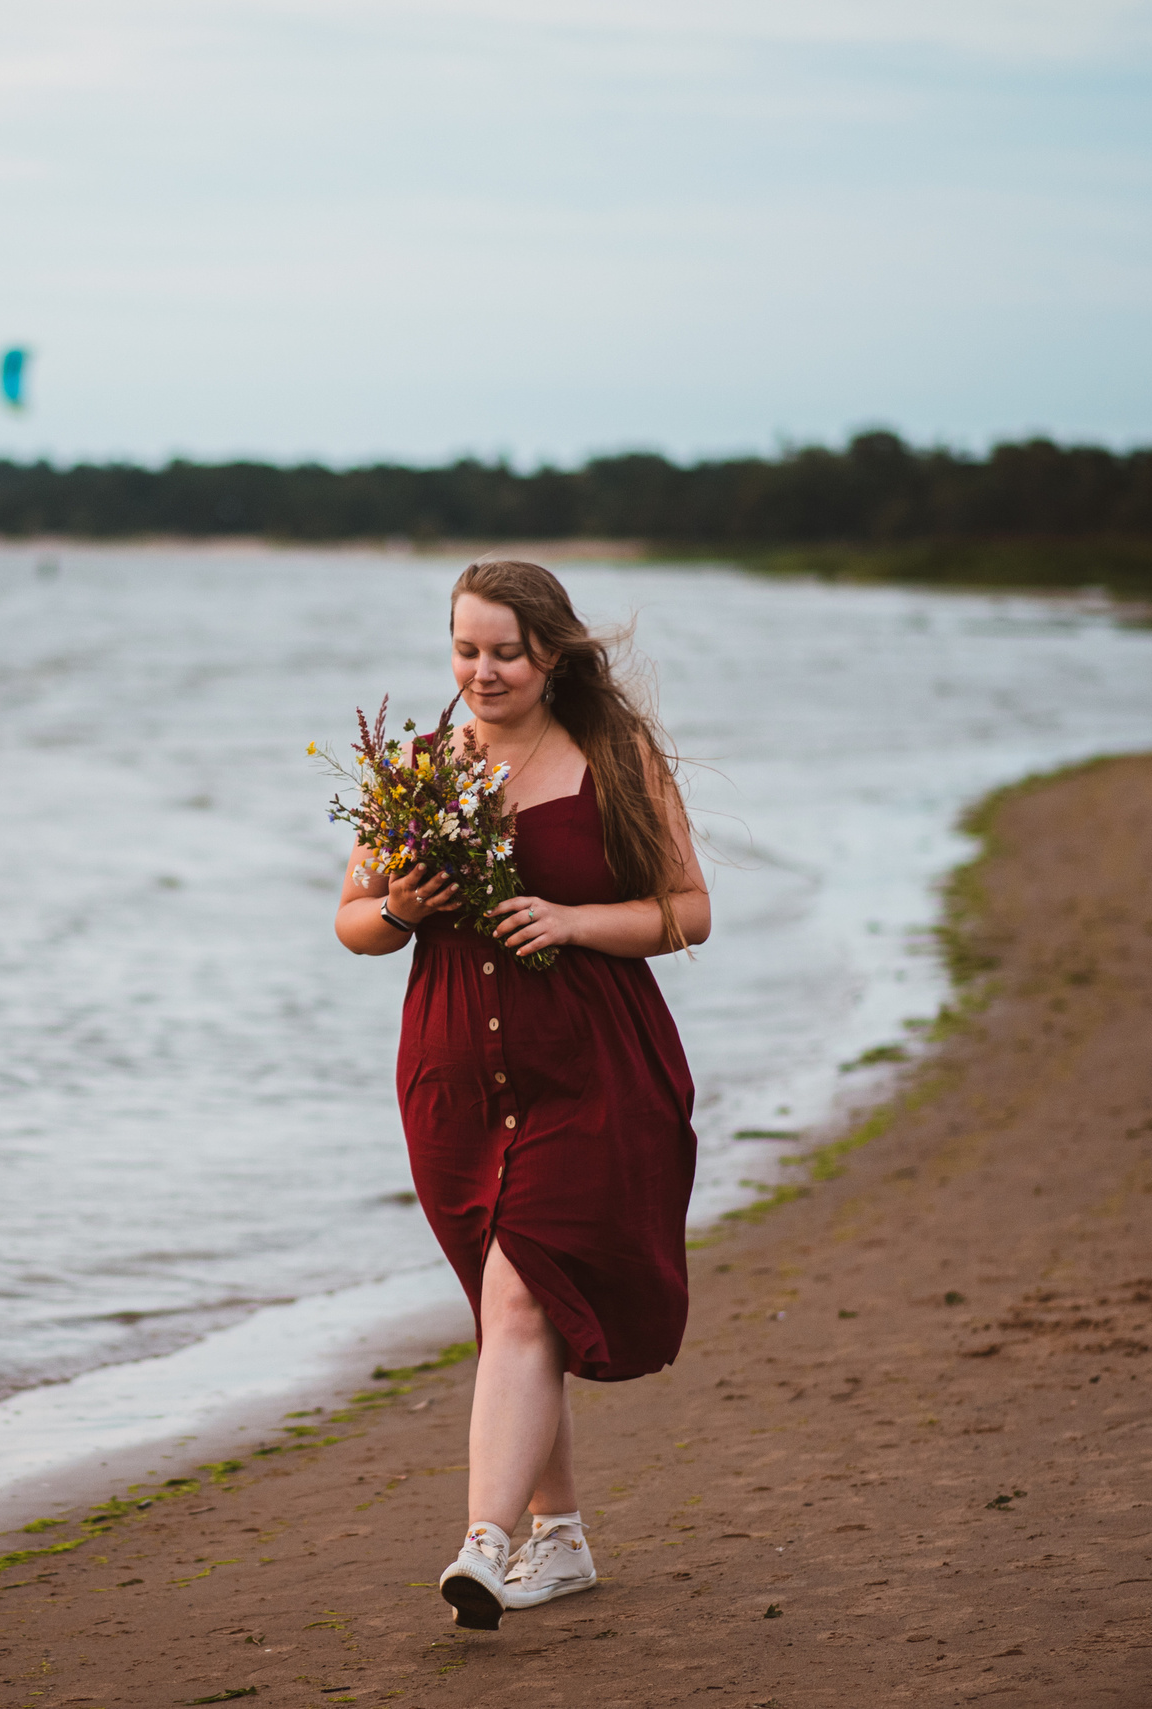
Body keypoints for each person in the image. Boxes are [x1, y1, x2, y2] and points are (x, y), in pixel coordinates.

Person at [332, 558, 709, 1630]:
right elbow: (352, 921)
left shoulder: (614, 757)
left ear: (551, 652)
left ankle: (483, 1547)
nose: (483, 671)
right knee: (512, 1315)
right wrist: (401, 909)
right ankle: (562, 1539)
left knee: (519, 1296)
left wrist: (573, 919)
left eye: (506, 651)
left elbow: (688, 908)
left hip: (593, 1070)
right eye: (466, 649)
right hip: (450, 1082)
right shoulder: (416, 769)